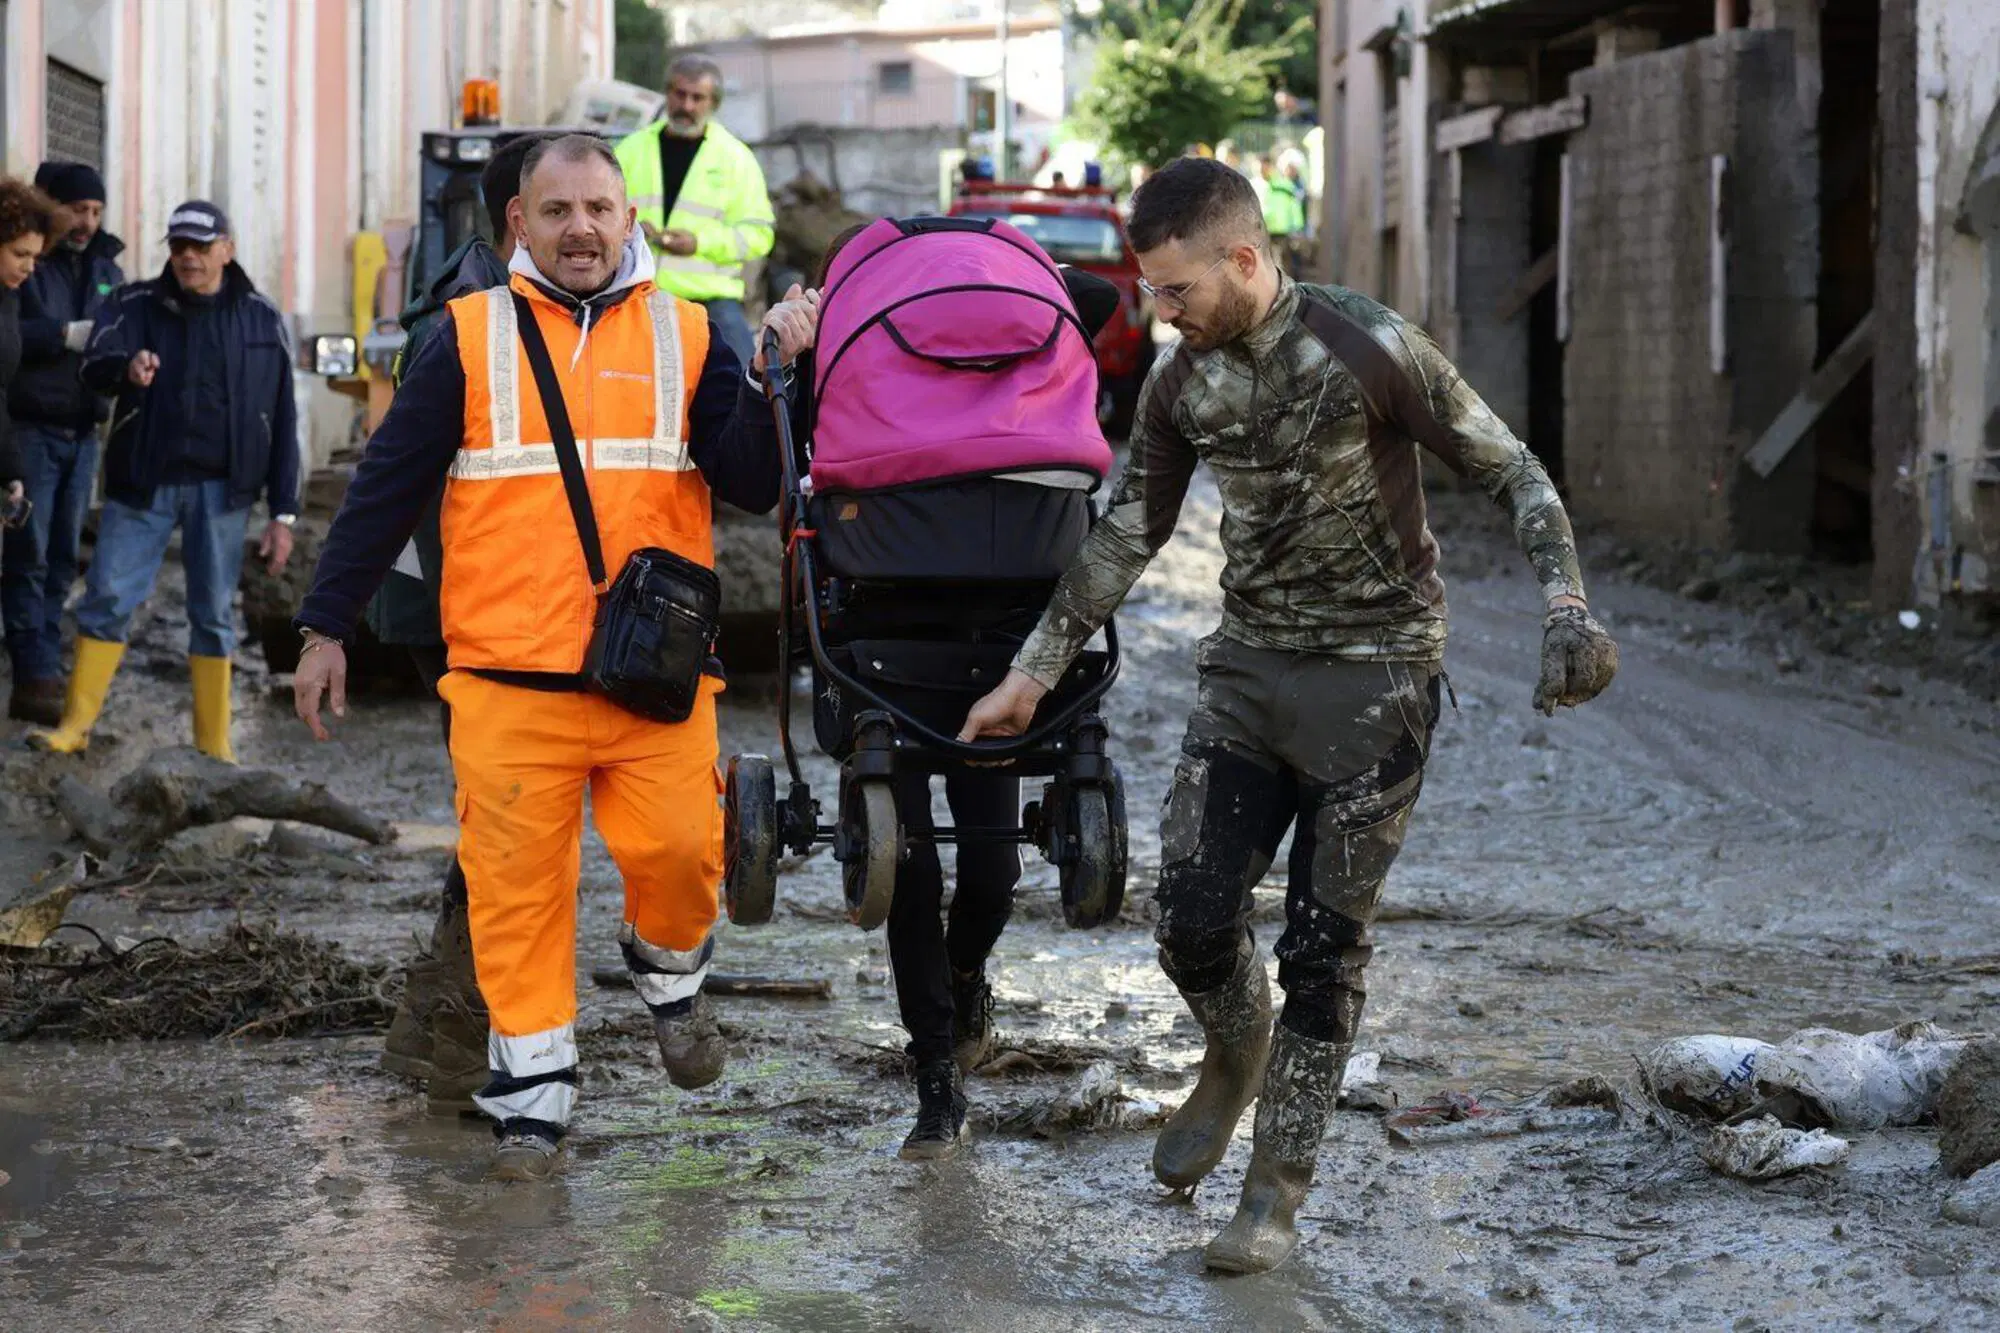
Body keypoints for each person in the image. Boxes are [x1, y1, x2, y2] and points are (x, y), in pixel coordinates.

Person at [958, 158, 1618, 1273]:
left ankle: (1272, 1193)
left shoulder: (1367, 347)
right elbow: (1126, 534)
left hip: (1377, 678)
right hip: (1246, 674)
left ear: (1245, 259)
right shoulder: (1180, 386)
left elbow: (1512, 471)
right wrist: (1031, 670)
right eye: (1148, 291)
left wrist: (1566, 604)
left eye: (1175, 290)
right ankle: (1234, 1045)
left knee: (1324, 947)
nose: (1158, 313)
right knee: (1189, 920)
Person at [291, 135, 818, 1182]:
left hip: (656, 680)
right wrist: (323, 626)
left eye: (598, 209)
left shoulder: (691, 333)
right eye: (556, 210)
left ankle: (668, 976)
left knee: (679, 860)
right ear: (515, 228)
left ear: (629, 222)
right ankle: (531, 1108)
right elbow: (385, 488)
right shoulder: (464, 336)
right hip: (503, 679)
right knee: (515, 898)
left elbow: (755, 485)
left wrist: (778, 372)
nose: (579, 227)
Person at [794, 224, 1122, 1160]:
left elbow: (1092, 301)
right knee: (914, 872)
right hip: (887, 625)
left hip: (1001, 635)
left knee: (992, 871)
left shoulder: (1004, 351)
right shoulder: (832, 340)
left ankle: (968, 972)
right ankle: (936, 1078)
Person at [369, 130, 553, 1117]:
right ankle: (453, 1042)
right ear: (519, 213)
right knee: (509, 827)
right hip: (481, 621)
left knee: (503, 826)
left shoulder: (480, 296)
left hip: (479, 614)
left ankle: (435, 1035)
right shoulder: (471, 317)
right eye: (562, 201)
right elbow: (409, 484)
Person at [32, 201, 297, 760]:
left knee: (214, 614)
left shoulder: (260, 317)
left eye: (200, 247)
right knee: (106, 597)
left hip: (224, 490)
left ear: (227, 247)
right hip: (143, 483)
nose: (188, 258)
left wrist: (283, 511)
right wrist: (124, 368)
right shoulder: (132, 305)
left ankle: (214, 745)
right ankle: (75, 727)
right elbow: (93, 364)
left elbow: (283, 418)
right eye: (179, 247)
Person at [4, 163, 123, 726]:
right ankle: (33, 674)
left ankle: (47, 665)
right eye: (79, 209)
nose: (87, 222)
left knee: (59, 561)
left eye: (96, 212)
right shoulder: (29, 265)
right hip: (31, 427)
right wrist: (62, 335)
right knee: (28, 554)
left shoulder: (106, 268)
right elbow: (11, 336)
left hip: (83, 430)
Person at [615, 54, 775, 369]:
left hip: (712, 304)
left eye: (697, 97)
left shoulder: (736, 159)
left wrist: (699, 243)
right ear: (667, 93)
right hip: (637, 297)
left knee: (747, 386)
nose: (686, 106)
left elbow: (759, 234)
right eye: (679, 94)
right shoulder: (629, 150)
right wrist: (629, 228)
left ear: (712, 103)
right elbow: (600, 213)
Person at [0, 181, 62, 613]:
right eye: (20, 254)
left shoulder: (9, 299)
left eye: (35, 257)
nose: (29, 268)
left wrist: (10, 471)